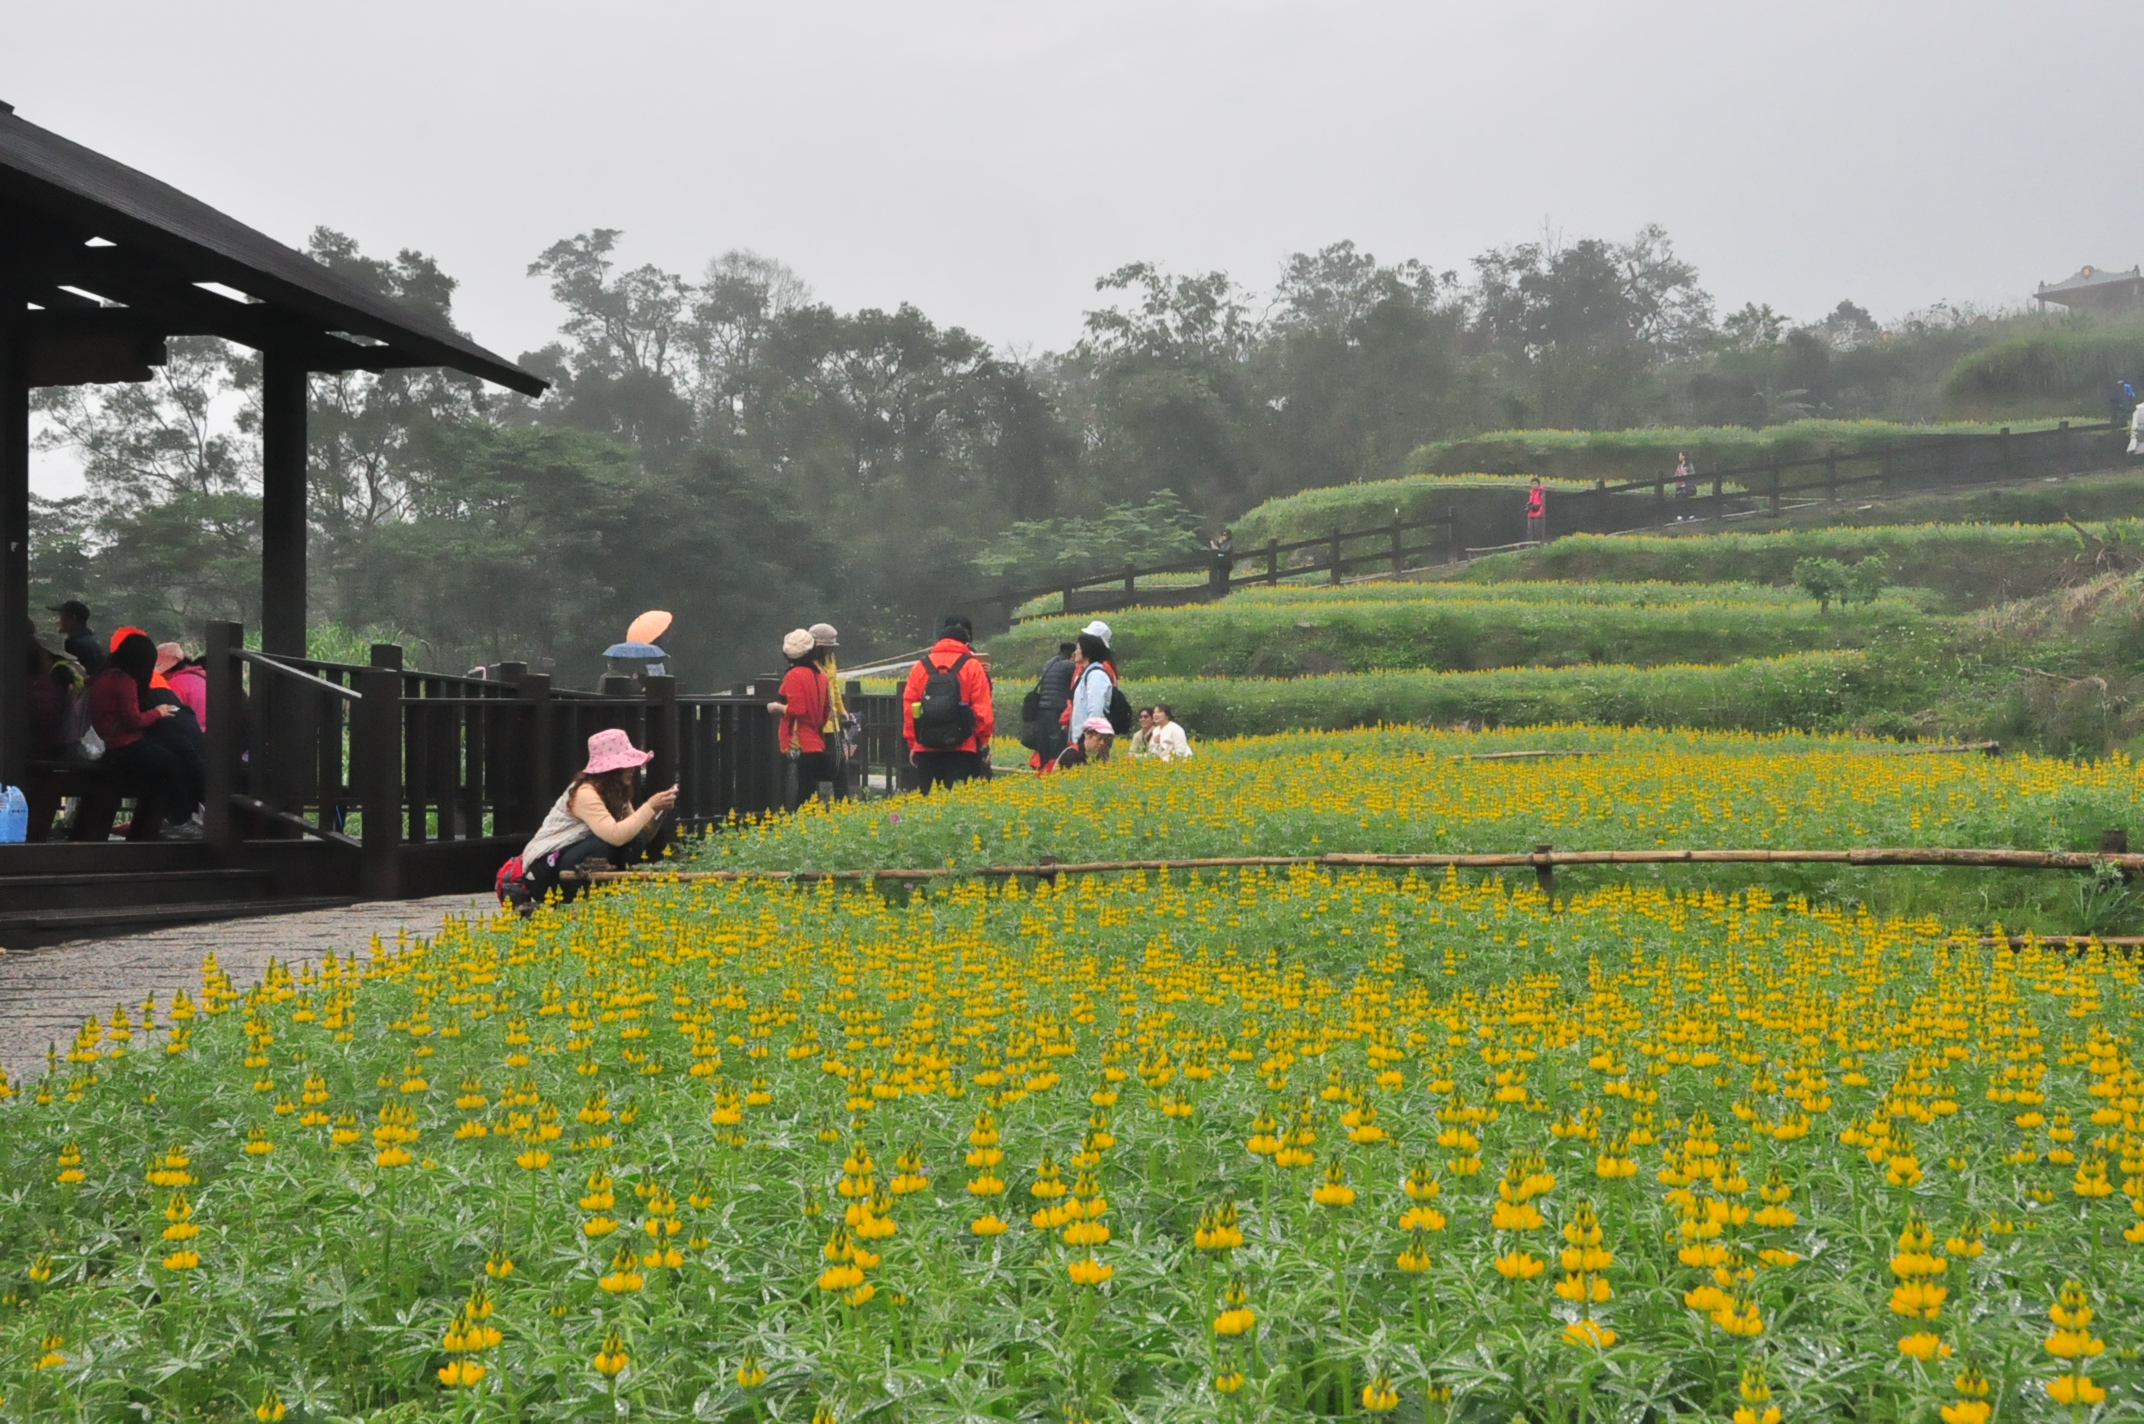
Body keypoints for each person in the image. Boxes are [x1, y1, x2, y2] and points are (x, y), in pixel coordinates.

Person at [509, 729, 678, 913]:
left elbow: (637, 834)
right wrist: (650, 806)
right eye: (627, 764)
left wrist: (660, 812)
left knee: (634, 841)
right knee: (603, 844)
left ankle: (600, 892)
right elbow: (616, 836)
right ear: (611, 770)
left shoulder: (617, 794)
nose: (632, 769)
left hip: (569, 859)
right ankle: (576, 898)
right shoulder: (585, 793)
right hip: (544, 870)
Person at [85, 632, 188, 840]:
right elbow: (134, 720)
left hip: (109, 744)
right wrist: (159, 712)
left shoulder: (104, 676)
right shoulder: (125, 680)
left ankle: (148, 827)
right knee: (172, 760)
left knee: (163, 758)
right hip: (123, 746)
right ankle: (176, 818)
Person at [902, 615, 994, 792]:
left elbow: (909, 708)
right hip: (963, 745)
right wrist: (983, 742)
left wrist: (913, 743)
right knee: (958, 802)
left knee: (928, 801)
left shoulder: (920, 667)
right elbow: (982, 708)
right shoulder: (973, 666)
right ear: (966, 643)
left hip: (926, 746)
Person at [768, 628, 832, 810]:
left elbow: (797, 709)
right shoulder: (821, 675)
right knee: (809, 794)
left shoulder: (794, 675)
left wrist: (777, 707)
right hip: (816, 743)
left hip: (797, 745)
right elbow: (826, 710)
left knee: (795, 798)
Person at [810, 622, 857, 796]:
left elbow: (834, 686)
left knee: (839, 764)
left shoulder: (830, 660)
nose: (829, 651)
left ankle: (842, 803)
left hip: (832, 722)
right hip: (813, 722)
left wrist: (841, 710)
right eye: (825, 647)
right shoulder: (807, 662)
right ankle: (811, 803)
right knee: (812, 763)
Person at [1024, 641, 1077, 766]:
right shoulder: (1069, 665)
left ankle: (1044, 768)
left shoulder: (1049, 663)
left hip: (1042, 708)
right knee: (1057, 742)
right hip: (1057, 709)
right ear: (1072, 654)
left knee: (1045, 743)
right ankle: (1054, 769)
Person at [1066, 621, 1119, 740]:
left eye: (1078, 648)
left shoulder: (1097, 674)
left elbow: (1095, 709)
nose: (1075, 652)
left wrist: (1090, 735)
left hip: (1090, 738)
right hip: (1082, 735)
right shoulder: (1086, 671)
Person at [158, 642, 209, 732]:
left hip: (197, 736)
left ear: (168, 670)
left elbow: (168, 716)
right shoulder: (202, 675)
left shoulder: (176, 684)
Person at [48, 599, 106, 676]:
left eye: (61, 616)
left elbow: (73, 676)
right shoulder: (92, 639)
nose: (58, 620)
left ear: (72, 619)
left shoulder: (74, 644)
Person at [1050, 716, 1115, 772]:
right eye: (1099, 738)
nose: (1102, 743)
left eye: (1105, 740)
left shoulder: (1102, 754)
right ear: (1087, 734)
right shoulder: (1072, 754)